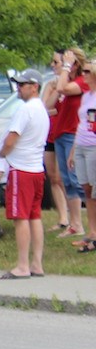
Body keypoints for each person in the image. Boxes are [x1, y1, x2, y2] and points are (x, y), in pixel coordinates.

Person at [0, 69, 49, 279]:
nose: (19, 88)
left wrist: (2, 154)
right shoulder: (41, 109)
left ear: (34, 87)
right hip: (36, 169)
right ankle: (37, 264)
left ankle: (23, 265)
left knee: (20, 217)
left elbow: (10, 139)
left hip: (21, 169)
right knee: (34, 216)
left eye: (23, 85)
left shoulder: (25, 110)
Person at [45, 48, 88, 240]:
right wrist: (55, 85)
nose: (58, 66)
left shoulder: (81, 83)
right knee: (68, 181)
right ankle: (75, 224)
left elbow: (63, 89)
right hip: (60, 135)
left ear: (75, 64)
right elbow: (49, 106)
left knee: (77, 181)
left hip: (73, 135)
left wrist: (66, 70)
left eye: (62, 62)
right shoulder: (66, 82)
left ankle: (85, 225)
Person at [68, 65, 96, 252]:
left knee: (95, 190)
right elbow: (81, 123)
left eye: (87, 71)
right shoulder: (86, 96)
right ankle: (92, 232)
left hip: (94, 146)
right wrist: (73, 150)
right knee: (86, 188)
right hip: (82, 144)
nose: (83, 74)